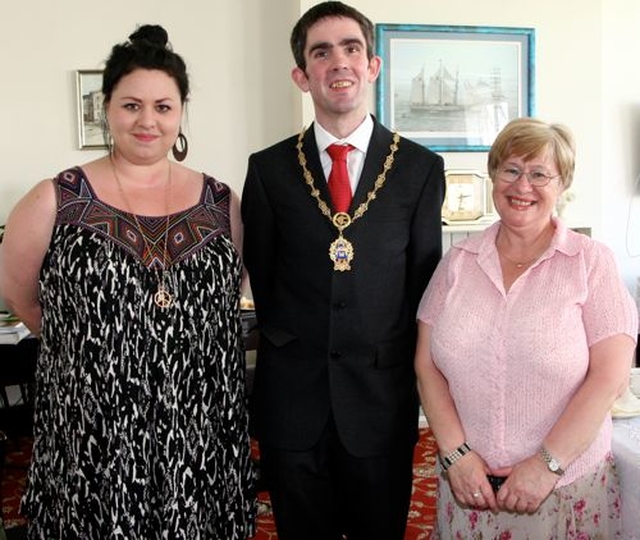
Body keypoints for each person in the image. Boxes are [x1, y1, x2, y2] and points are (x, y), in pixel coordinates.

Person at [0, 24, 256, 539]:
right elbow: (20, 295)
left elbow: (239, 287)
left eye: (163, 107)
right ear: (106, 108)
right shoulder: (57, 198)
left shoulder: (220, 201)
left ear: (181, 113)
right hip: (96, 426)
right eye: (131, 105)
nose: (148, 121)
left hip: (199, 424)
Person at [241, 2, 445, 539]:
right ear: (301, 75)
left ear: (372, 66)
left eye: (352, 48)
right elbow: (264, 278)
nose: (339, 62)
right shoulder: (268, 170)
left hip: (380, 399)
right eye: (321, 52)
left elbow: (424, 290)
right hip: (293, 401)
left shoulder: (420, 169)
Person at [415, 117, 638, 538]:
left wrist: (546, 465)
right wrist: (456, 454)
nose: (522, 186)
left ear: (562, 184)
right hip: (470, 490)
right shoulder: (457, 263)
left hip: (564, 492)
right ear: (493, 175)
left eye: (539, 174)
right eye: (511, 170)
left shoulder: (591, 263)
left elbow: (609, 377)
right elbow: (426, 365)